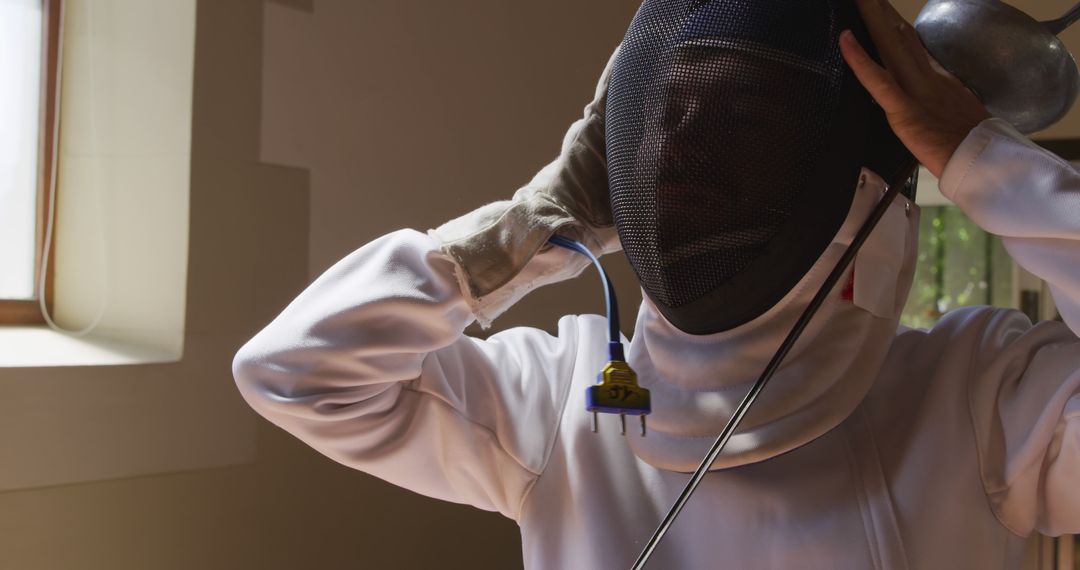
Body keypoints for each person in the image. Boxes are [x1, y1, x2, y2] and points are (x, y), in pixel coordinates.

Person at [232, 0, 1080, 567]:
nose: (681, 148)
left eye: (736, 121)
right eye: (665, 114)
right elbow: (295, 375)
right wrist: (530, 225)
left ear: (852, 177)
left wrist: (981, 161)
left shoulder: (980, 396)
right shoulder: (561, 397)